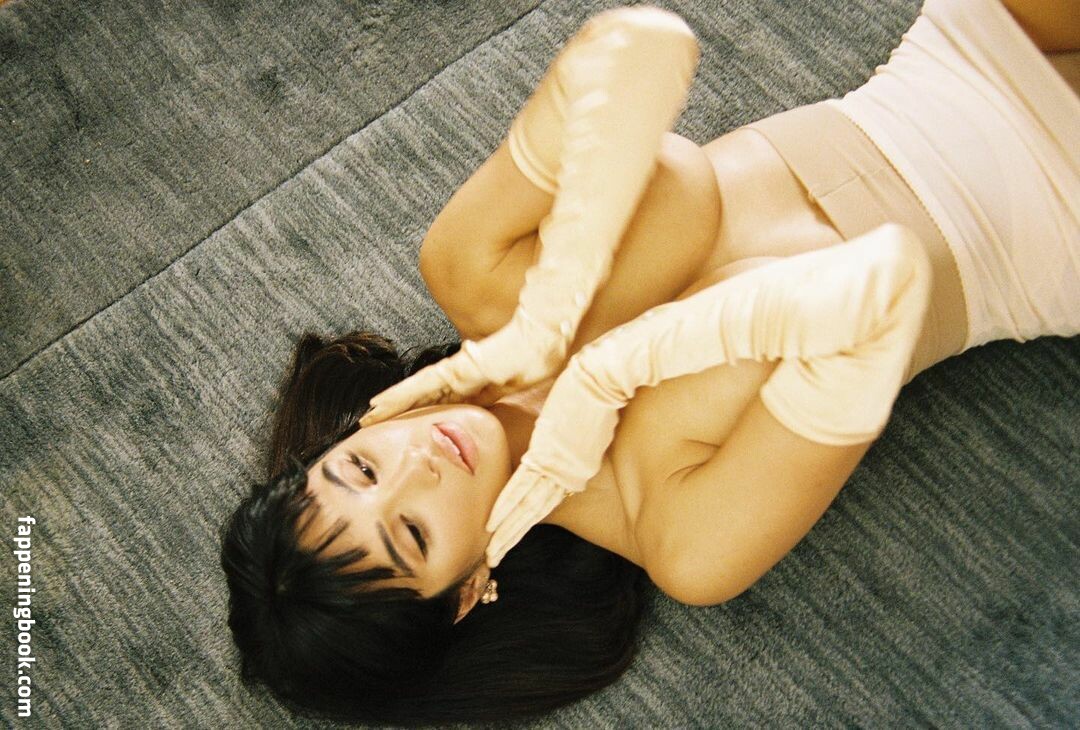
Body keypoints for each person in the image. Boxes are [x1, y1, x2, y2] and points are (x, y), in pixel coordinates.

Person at [219, 1, 1079, 725]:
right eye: (412, 533)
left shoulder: (470, 273)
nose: (417, 463)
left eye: (360, 468)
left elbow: (643, 45)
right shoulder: (683, 538)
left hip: (958, 56)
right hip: (1055, 220)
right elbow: (882, 289)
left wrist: (548, 326)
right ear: (468, 591)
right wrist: (608, 372)